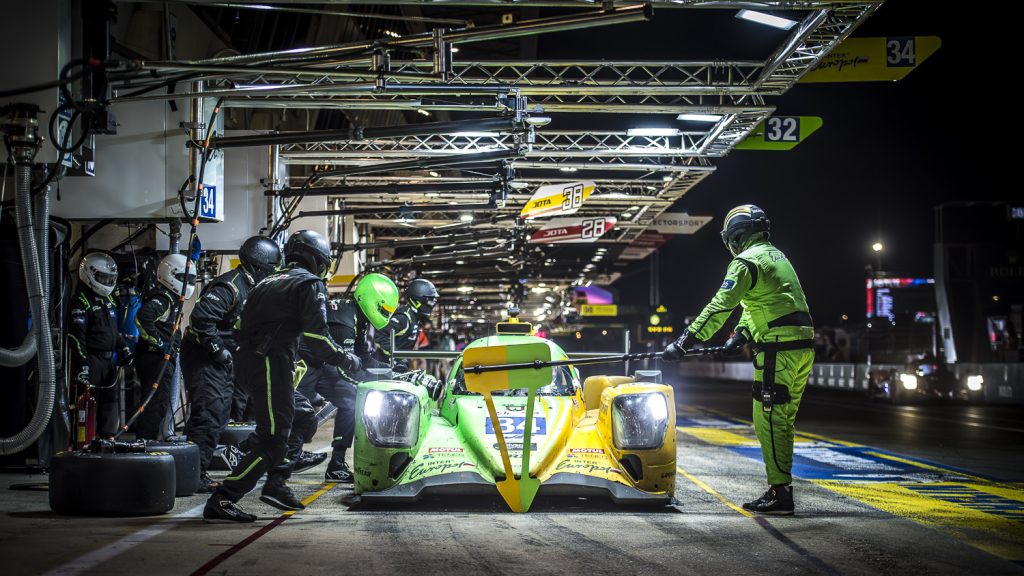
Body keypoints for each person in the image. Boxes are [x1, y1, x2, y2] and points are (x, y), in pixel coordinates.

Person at [663, 204, 814, 515]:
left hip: (777, 350)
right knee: (781, 420)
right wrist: (741, 336)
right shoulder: (775, 256)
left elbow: (721, 305)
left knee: (768, 420)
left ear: (736, 237)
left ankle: (780, 493)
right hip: (800, 348)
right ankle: (780, 488)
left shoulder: (745, 262)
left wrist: (685, 342)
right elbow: (758, 302)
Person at [204, 230, 361, 523]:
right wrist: (346, 358)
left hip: (252, 363)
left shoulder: (267, 281)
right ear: (317, 259)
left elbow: (241, 324)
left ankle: (277, 481)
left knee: (303, 416)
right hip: (269, 364)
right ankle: (224, 498)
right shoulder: (308, 284)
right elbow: (317, 337)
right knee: (273, 439)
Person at [181, 236, 282, 493]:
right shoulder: (230, 287)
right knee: (209, 413)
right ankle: (194, 476)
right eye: (270, 270)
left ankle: (196, 471)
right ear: (259, 268)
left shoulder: (251, 288)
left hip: (223, 359)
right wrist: (220, 353)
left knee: (220, 414)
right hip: (205, 356)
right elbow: (201, 319)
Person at [297, 272, 400, 483]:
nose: (385, 315)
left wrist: (391, 371)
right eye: (384, 309)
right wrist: (370, 384)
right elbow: (345, 368)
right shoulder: (344, 321)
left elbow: (363, 357)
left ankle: (335, 463)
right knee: (297, 411)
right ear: (372, 299)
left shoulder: (357, 317)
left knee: (349, 400)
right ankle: (283, 455)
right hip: (304, 363)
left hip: (319, 364)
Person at [69, 252, 132, 437]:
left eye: (110, 278)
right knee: (88, 407)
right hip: (91, 361)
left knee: (110, 406)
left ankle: (107, 442)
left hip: (109, 362)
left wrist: (123, 346)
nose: (107, 281)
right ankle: (86, 444)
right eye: (103, 277)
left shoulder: (109, 300)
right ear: (89, 273)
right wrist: (82, 365)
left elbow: (113, 330)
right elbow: (75, 337)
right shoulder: (81, 301)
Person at [134, 253, 195, 440]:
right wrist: (161, 344)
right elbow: (142, 318)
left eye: (190, 279)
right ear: (171, 275)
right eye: (184, 279)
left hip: (161, 358)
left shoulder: (171, 298)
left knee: (159, 403)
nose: (188, 283)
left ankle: (149, 441)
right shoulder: (163, 299)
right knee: (155, 403)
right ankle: (145, 444)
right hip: (155, 358)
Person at [372, 278, 438, 369]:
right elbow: (380, 336)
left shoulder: (416, 318)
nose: (432, 303)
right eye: (430, 299)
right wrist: (399, 357)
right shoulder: (404, 318)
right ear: (418, 299)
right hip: (383, 368)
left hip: (396, 368)